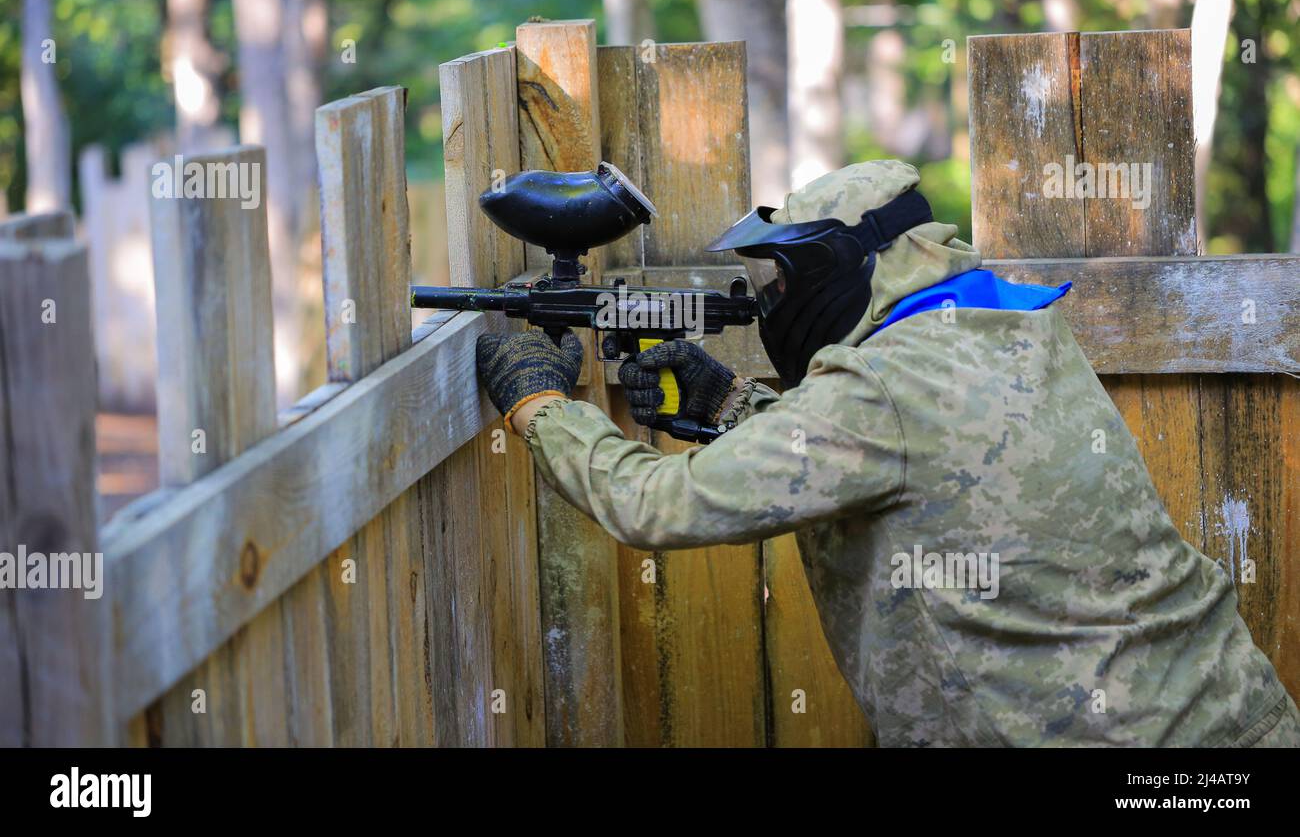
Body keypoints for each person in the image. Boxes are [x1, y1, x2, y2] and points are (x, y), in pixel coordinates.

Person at [475, 159, 1299, 747]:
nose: (775, 306)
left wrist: (541, 405)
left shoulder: (884, 384)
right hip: (1230, 717)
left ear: (854, 266)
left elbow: (655, 506)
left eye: (785, 282)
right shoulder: (1005, 324)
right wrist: (733, 405)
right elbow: (922, 470)